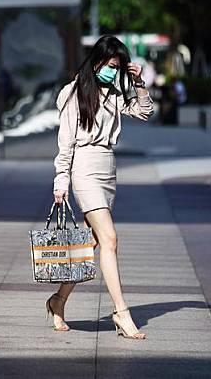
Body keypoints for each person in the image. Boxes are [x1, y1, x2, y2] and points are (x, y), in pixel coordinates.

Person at [49, 35, 154, 339]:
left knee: (90, 245)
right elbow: (66, 143)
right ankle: (121, 313)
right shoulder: (73, 93)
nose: (113, 71)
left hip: (108, 169)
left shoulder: (116, 93)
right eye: (110, 65)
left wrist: (139, 84)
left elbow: (144, 113)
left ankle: (58, 301)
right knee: (110, 239)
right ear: (96, 61)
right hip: (84, 168)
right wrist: (61, 180)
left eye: (118, 67)